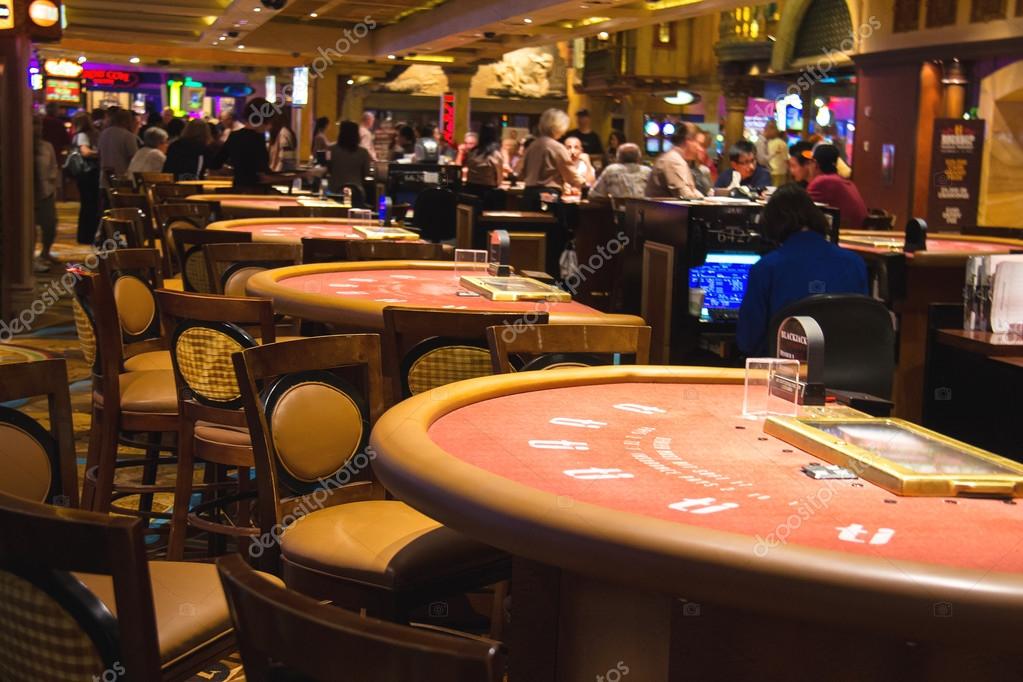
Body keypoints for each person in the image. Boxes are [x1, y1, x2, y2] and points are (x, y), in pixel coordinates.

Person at [736, 184, 868, 356]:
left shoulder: (766, 268)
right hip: (846, 376)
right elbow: (863, 333)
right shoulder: (855, 264)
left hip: (784, 376)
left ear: (772, 225)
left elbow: (748, 341)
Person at [519, 108, 585, 208]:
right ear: (559, 127)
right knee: (556, 220)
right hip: (547, 195)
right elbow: (570, 174)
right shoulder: (557, 147)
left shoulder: (532, 146)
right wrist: (584, 183)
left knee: (531, 223)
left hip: (528, 194)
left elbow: (521, 172)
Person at [211, 98, 272, 190]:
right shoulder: (257, 139)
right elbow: (262, 177)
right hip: (256, 193)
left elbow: (215, 164)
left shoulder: (234, 136)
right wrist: (294, 176)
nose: (270, 126)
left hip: (238, 189)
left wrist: (238, 171)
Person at [806, 143, 867, 228]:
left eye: (809, 162)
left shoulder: (822, 182)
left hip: (845, 234)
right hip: (859, 231)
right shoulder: (845, 182)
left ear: (815, 164)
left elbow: (804, 211)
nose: (808, 167)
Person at [644, 122, 704, 200]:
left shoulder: (675, 158)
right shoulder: (673, 161)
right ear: (688, 141)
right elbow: (685, 196)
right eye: (699, 143)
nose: (700, 149)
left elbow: (691, 191)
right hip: (664, 212)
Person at [33, 116, 59, 273]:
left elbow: (53, 167)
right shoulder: (20, 145)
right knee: (29, 229)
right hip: (28, 193)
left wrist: (52, 185)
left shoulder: (46, 146)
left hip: (45, 191)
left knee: (50, 225)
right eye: (35, 124)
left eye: (39, 125)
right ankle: (30, 259)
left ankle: (45, 252)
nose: (39, 128)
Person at [70, 111, 101, 245]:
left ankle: (86, 235)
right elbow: (85, 152)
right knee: (90, 204)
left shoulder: (81, 134)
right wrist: (100, 153)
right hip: (88, 173)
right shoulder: (83, 135)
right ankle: (87, 236)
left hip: (86, 174)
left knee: (88, 204)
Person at [97, 107, 140, 190]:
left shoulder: (104, 133)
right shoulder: (128, 136)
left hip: (104, 178)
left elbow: (99, 153)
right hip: (122, 178)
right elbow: (134, 158)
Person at [326, 121, 371, 196]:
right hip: (357, 191)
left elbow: (328, 168)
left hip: (335, 190)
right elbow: (366, 172)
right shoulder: (363, 152)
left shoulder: (330, 149)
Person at [463, 123, 505, 190]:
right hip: (488, 191)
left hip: (470, 189)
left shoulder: (473, 152)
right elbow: (499, 179)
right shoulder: (495, 154)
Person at [761, 122, 789, 187]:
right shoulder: (782, 143)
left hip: (770, 171)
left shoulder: (768, 142)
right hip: (779, 172)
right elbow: (786, 159)